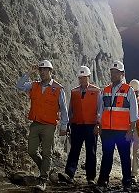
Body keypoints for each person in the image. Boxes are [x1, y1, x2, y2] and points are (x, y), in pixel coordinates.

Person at [16, 59, 69, 191]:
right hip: (35, 124)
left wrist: (64, 126)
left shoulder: (58, 88)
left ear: (50, 71)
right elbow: (19, 86)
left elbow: (63, 109)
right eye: (41, 70)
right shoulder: (34, 85)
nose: (42, 72)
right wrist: (29, 72)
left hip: (49, 126)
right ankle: (46, 169)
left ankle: (43, 179)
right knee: (32, 151)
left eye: (45, 70)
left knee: (47, 153)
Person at [94, 60, 139, 192]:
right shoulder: (105, 90)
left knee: (125, 157)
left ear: (122, 74)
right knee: (106, 157)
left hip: (122, 131)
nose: (113, 75)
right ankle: (103, 182)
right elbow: (101, 110)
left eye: (116, 72)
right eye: (112, 72)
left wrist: (131, 130)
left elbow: (134, 112)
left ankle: (127, 184)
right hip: (107, 130)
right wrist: (99, 125)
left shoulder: (128, 90)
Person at [58, 66, 101, 185]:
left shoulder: (96, 91)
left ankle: (91, 177)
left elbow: (100, 110)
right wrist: (68, 124)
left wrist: (98, 124)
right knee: (74, 150)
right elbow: (71, 109)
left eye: (84, 78)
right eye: (80, 78)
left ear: (88, 77)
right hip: (77, 125)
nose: (82, 80)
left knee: (91, 152)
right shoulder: (74, 91)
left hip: (91, 126)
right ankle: (69, 174)